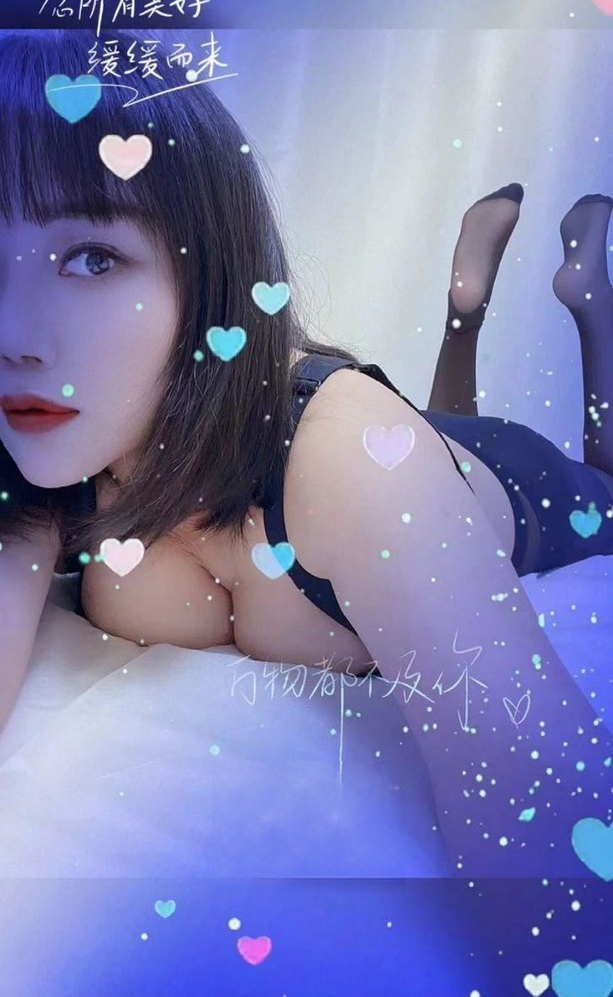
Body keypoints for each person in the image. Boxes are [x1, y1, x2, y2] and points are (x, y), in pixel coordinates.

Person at [0, 28, 610, 877]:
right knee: (431, 422)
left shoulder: (347, 457)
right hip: (364, 443)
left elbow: (554, 838)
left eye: (91, 257)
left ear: (210, 274)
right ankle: (461, 312)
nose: (14, 335)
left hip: (518, 482)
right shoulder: (47, 437)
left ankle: (581, 302)